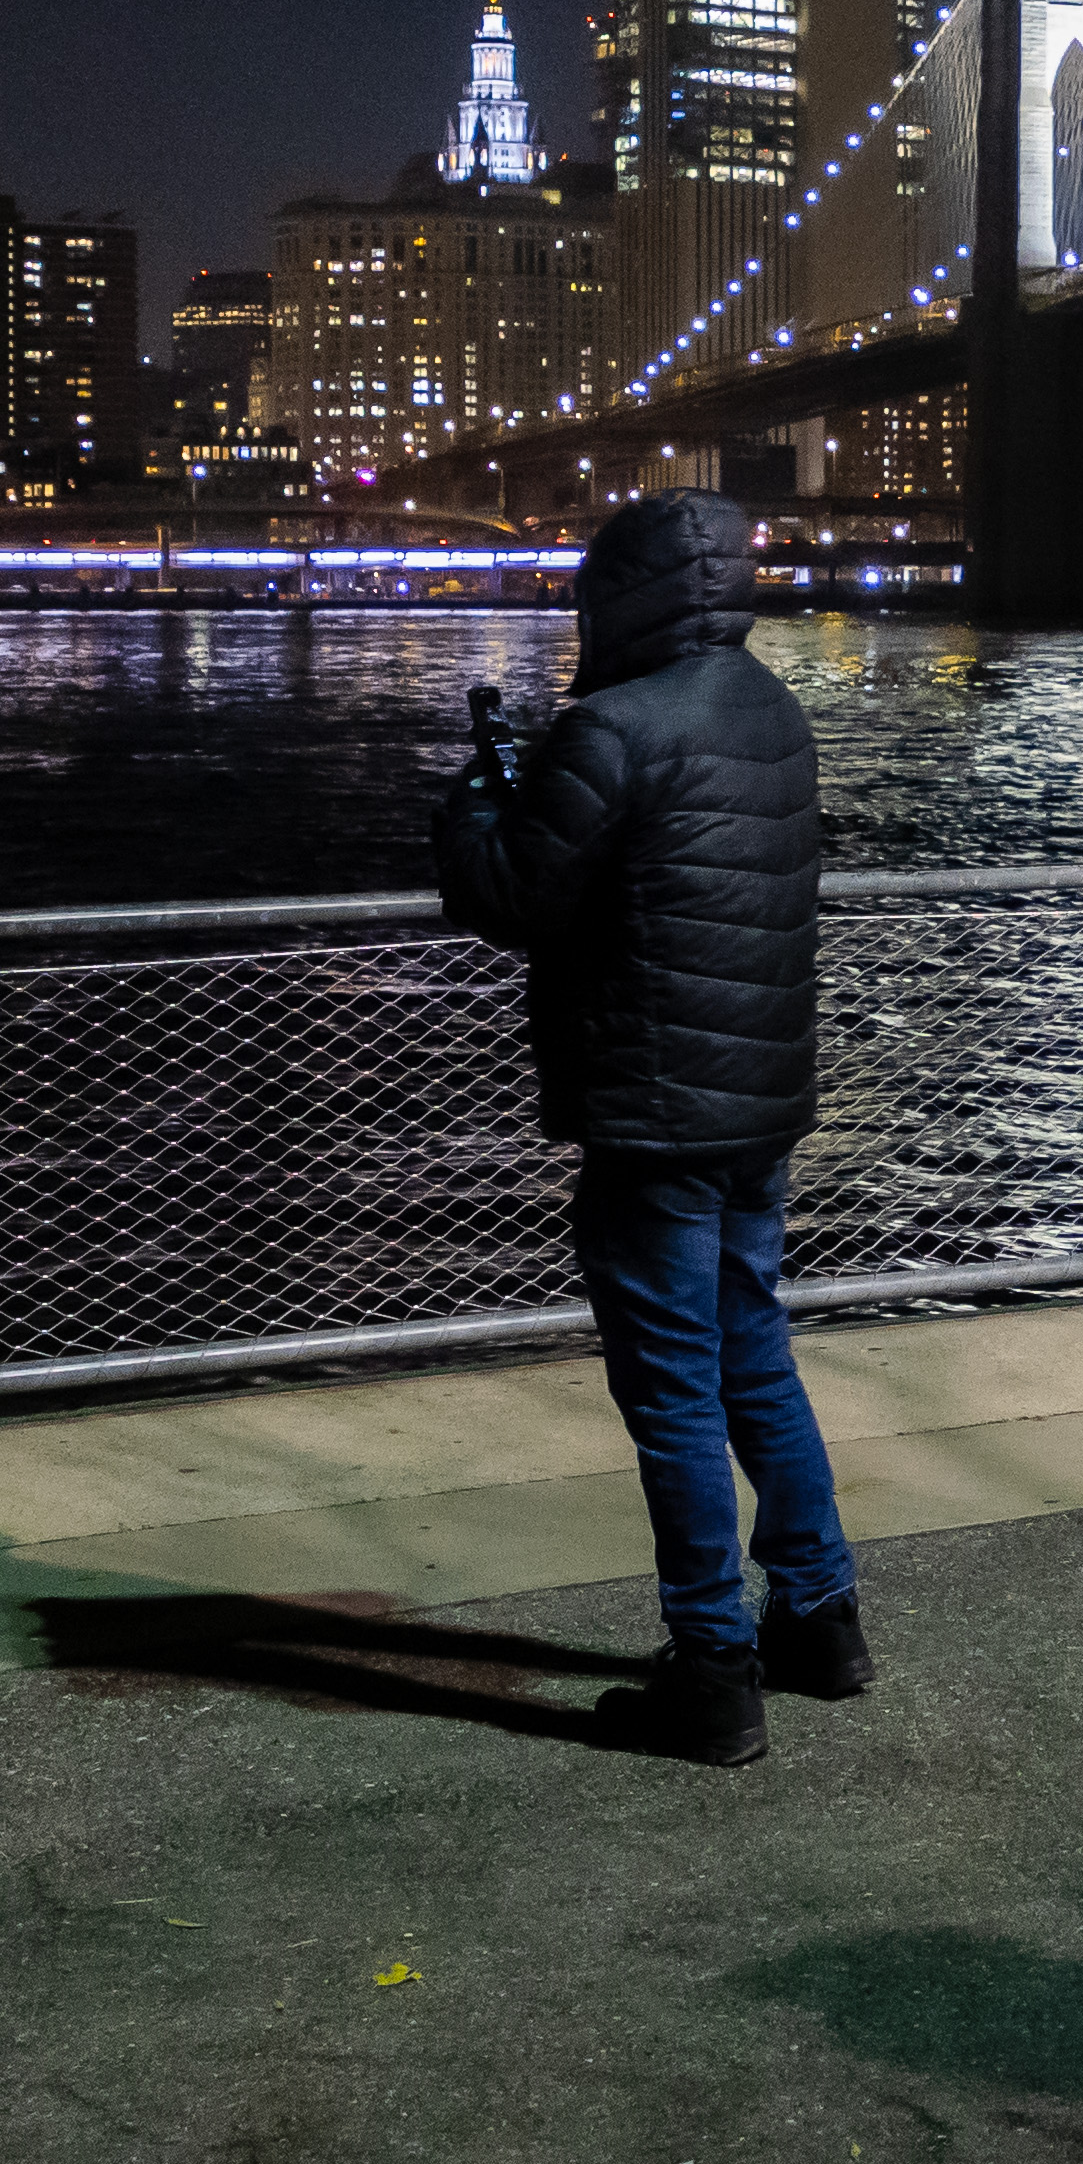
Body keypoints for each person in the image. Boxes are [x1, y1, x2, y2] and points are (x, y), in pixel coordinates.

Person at [436, 490, 859, 1766]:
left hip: (654, 1109)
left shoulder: (609, 727)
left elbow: (515, 894)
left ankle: (711, 1669)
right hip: (762, 1099)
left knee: (672, 1390)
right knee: (754, 1353)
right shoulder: (770, 704)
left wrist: (475, 799)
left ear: (615, 597)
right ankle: (823, 1619)